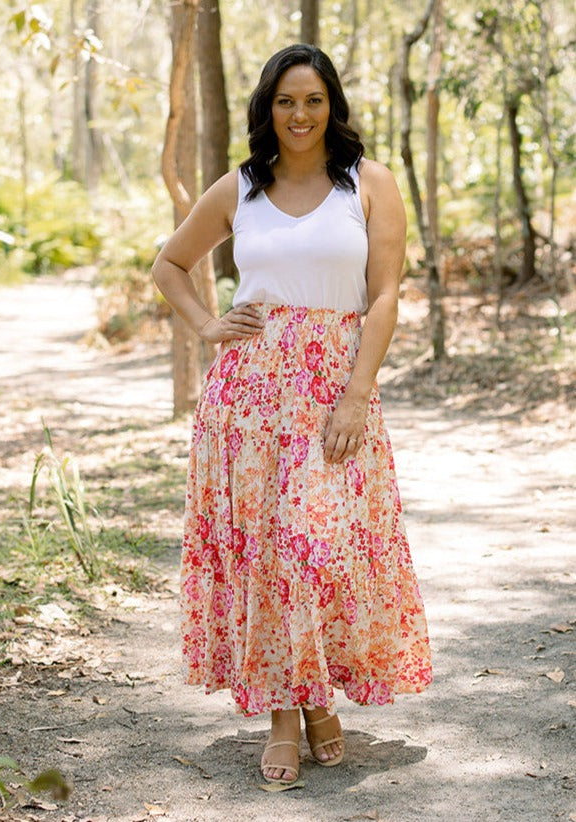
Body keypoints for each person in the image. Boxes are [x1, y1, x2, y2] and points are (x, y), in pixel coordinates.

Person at [152, 43, 432, 786]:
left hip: (332, 391)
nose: (299, 114)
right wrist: (208, 327)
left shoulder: (367, 184)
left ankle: (313, 701)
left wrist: (355, 393)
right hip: (246, 402)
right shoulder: (240, 188)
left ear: (330, 105)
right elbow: (168, 264)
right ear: (266, 109)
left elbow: (382, 296)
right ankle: (291, 711)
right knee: (273, 553)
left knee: (318, 546)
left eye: (311, 100)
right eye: (284, 101)